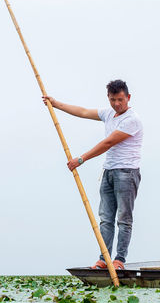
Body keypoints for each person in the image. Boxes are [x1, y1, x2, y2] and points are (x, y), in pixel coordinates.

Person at [43, 79, 143, 270]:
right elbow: (82, 112)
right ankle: (104, 259)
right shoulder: (108, 114)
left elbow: (108, 143)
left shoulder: (132, 120)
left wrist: (81, 159)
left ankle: (119, 260)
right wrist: (56, 104)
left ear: (128, 98)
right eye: (113, 100)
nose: (117, 104)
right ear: (108, 98)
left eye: (120, 100)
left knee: (123, 218)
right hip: (108, 172)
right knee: (106, 218)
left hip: (127, 173)